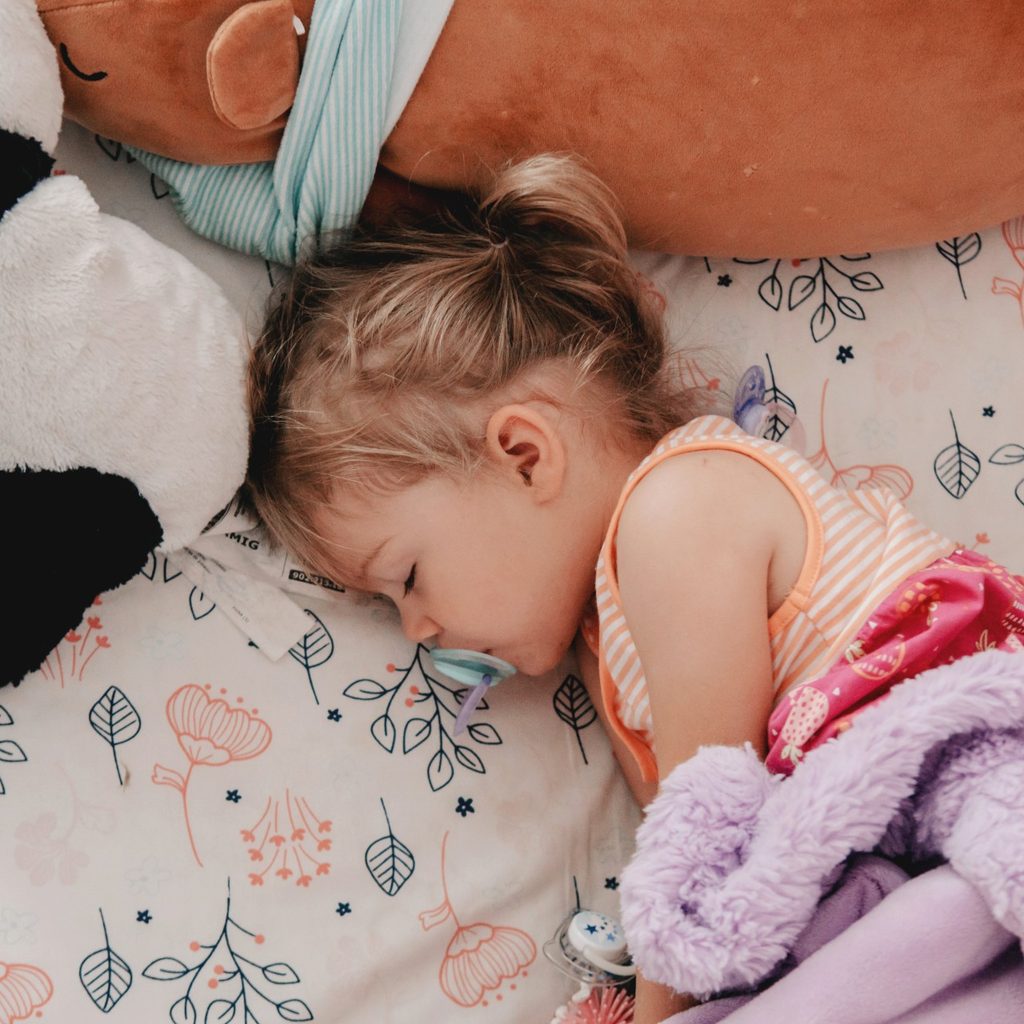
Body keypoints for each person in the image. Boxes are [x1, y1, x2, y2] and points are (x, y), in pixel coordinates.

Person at [245, 154, 1024, 1023]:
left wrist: (659, 1008)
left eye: (408, 578)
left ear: (524, 455)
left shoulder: (678, 509)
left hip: (980, 781)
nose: (419, 629)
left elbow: (707, 829)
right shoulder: (606, 651)